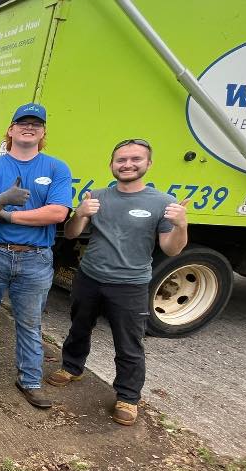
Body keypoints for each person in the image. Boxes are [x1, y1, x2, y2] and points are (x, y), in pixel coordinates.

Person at [47, 138, 188, 425]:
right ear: (112, 164)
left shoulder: (163, 203)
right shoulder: (97, 197)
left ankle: (127, 396)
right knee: (79, 327)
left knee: (129, 344)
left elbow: (172, 249)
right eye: (121, 160)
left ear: (148, 164)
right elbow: (72, 234)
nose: (127, 165)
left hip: (130, 284)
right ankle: (72, 367)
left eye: (135, 159)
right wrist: (80, 214)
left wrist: (181, 225)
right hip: (90, 277)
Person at [0, 103, 72, 409]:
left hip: (35, 258)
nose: (29, 127)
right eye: (23, 122)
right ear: (10, 130)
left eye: (36, 124)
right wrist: (1, 200)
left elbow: (58, 212)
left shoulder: (56, 168)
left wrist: (7, 216)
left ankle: (30, 380)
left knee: (30, 322)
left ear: (44, 132)